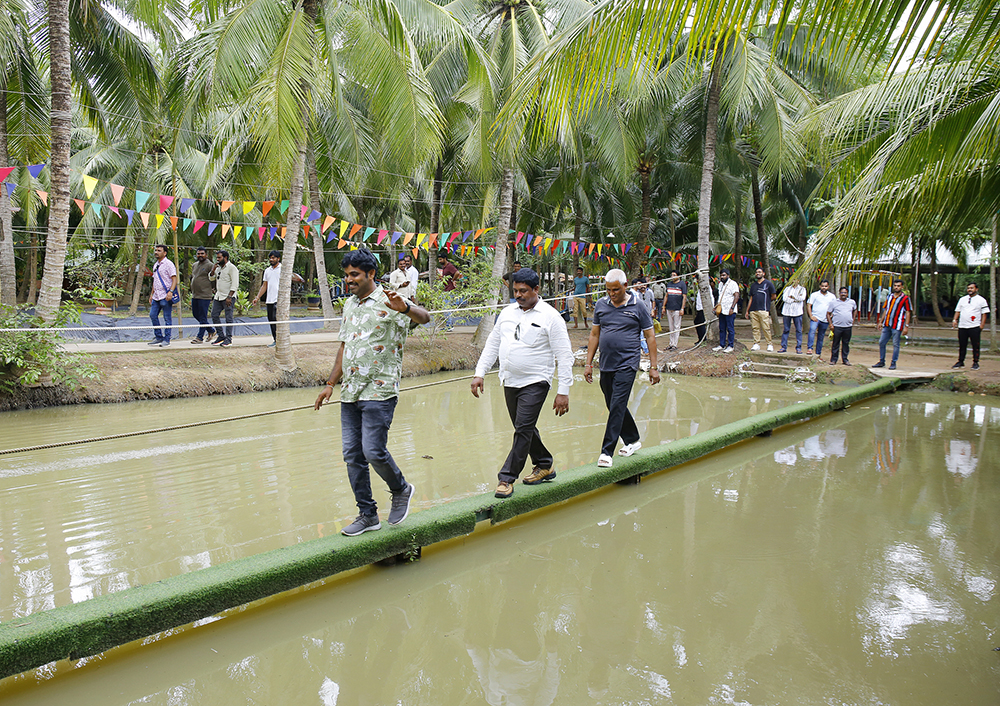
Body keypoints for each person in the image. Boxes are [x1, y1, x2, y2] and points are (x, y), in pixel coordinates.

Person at [313, 248, 430, 536]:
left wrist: (403, 307)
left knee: (373, 451)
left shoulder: (391, 299)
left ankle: (401, 489)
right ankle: (367, 515)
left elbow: (425, 317)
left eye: (354, 275)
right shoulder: (350, 305)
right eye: (347, 275)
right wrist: (330, 384)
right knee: (353, 455)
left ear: (371, 274)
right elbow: (344, 347)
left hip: (379, 390)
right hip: (350, 392)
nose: (349, 280)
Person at [471, 268, 574, 499]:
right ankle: (545, 464)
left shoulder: (551, 317)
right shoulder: (507, 313)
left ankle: (506, 478)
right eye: (515, 290)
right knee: (524, 428)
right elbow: (492, 344)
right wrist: (480, 373)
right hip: (509, 380)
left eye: (523, 291)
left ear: (536, 289)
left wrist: (563, 391)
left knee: (523, 429)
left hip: (536, 381)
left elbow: (564, 355)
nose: (518, 295)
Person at [584, 269, 660, 468]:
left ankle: (606, 452)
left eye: (616, 289)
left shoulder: (639, 306)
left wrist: (653, 367)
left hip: (628, 363)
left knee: (617, 404)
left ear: (626, 286)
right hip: (606, 363)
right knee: (613, 404)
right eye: (608, 290)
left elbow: (650, 336)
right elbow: (594, 335)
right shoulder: (601, 305)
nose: (612, 293)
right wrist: (588, 363)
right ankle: (633, 440)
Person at [872, 279, 911, 370]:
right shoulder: (889, 296)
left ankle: (893, 362)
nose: (896, 287)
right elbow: (886, 309)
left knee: (895, 344)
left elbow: (908, 312)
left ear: (902, 287)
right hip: (887, 324)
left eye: (898, 286)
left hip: (897, 325)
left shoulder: (905, 298)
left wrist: (906, 326)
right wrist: (881, 321)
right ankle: (882, 361)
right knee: (882, 342)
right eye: (895, 286)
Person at [951, 282, 990, 371]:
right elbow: (958, 311)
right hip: (963, 326)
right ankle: (960, 361)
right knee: (962, 344)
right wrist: (955, 320)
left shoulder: (981, 300)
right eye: (968, 288)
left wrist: (981, 325)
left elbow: (984, 314)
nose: (970, 290)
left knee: (975, 345)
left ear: (976, 289)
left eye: (972, 288)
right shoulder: (962, 299)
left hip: (974, 326)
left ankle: (975, 362)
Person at [148, 244, 178, 347]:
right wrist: (152, 294)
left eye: (159, 250)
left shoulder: (169, 264)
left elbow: (174, 279)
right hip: (156, 295)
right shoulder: (156, 265)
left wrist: (170, 291)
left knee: (167, 318)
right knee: (153, 315)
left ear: (164, 253)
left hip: (165, 295)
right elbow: (155, 280)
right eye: (156, 250)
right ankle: (158, 337)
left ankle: (167, 339)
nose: (156, 252)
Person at [252, 250, 283, 347]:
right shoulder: (267, 271)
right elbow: (264, 285)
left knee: (278, 320)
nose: (271, 259)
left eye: (273, 258)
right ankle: (275, 339)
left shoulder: (283, 269)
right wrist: (257, 297)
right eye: (270, 258)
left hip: (279, 300)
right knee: (271, 320)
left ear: (278, 259)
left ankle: (281, 340)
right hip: (269, 299)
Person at [209, 249, 239, 348]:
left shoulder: (232, 268)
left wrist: (229, 296)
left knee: (228, 317)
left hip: (228, 297)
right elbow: (211, 278)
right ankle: (221, 336)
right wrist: (213, 270)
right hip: (218, 296)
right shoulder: (218, 268)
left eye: (219, 257)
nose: (217, 259)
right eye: (217, 257)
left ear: (225, 258)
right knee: (214, 315)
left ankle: (228, 339)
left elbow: (235, 284)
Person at [189, 246, 215, 344]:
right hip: (195, 294)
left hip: (205, 295)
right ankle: (211, 330)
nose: (200, 255)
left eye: (202, 254)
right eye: (198, 254)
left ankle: (199, 337)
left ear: (206, 255)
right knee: (195, 314)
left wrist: (213, 289)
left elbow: (213, 278)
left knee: (203, 316)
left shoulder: (210, 265)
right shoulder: (195, 265)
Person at [745, 267, 775, 351]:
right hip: (753, 310)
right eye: (756, 272)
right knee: (755, 328)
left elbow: (773, 296)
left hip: (764, 309)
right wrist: (747, 310)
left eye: (759, 272)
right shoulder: (753, 285)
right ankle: (756, 343)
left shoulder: (768, 284)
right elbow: (751, 298)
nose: (757, 273)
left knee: (766, 328)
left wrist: (767, 302)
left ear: (763, 273)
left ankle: (769, 344)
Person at [827, 286, 857, 365]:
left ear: (847, 294)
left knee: (846, 343)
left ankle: (845, 359)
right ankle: (833, 360)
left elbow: (855, 310)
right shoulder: (834, 302)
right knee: (835, 343)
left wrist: (852, 320)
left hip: (847, 326)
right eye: (842, 292)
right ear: (839, 293)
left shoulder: (852, 302)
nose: (843, 294)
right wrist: (830, 324)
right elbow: (828, 313)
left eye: (845, 293)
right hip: (837, 326)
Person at [806, 280, 836, 356]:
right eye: (822, 286)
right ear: (820, 286)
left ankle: (818, 353)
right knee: (812, 331)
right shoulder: (814, 295)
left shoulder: (832, 296)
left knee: (821, 336)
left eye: (825, 286)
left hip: (825, 319)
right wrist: (811, 315)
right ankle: (810, 348)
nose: (824, 287)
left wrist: (832, 315)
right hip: (815, 317)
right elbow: (809, 305)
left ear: (828, 287)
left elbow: (835, 307)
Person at [713, 269, 739, 353]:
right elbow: (720, 297)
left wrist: (732, 308)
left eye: (724, 275)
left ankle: (730, 345)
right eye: (721, 275)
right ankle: (722, 344)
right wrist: (716, 306)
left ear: (728, 275)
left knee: (730, 328)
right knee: (722, 328)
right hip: (722, 310)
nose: (722, 277)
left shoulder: (733, 284)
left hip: (729, 310)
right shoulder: (720, 284)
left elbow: (736, 296)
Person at [779, 280, 806, 353]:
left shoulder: (802, 289)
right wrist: (795, 299)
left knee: (798, 330)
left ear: (798, 280)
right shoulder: (787, 288)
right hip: (786, 312)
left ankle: (798, 347)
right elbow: (785, 299)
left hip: (797, 312)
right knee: (786, 330)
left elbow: (802, 298)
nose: (794, 281)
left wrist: (792, 297)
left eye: (795, 280)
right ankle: (783, 346)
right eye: (792, 280)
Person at [663, 271, 687, 350]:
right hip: (669, 308)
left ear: (678, 276)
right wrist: (663, 306)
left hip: (677, 308)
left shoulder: (682, 284)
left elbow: (684, 297)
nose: (672, 276)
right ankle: (671, 343)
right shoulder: (669, 284)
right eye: (671, 275)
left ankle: (675, 344)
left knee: (677, 326)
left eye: (674, 275)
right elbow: (666, 296)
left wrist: (682, 308)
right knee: (671, 327)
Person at [438, 251, 460, 330]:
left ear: (445, 259)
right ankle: (448, 324)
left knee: (446, 307)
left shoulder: (449, 266)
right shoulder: (444, 267)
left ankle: (449, 325)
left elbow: (457, 272)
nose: (439, 261)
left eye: (441, 259)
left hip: (449, 290)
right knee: (446, 307)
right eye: (439, 260)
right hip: (446, 289)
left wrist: (453, 280)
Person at [693, 279, 716, 344]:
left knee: (699, 322)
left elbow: (711, 298)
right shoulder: (700, 287)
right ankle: (701, 338)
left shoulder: (706, 287)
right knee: (698, 322)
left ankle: (703, 339)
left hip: (703, 308)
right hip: (700, 308)